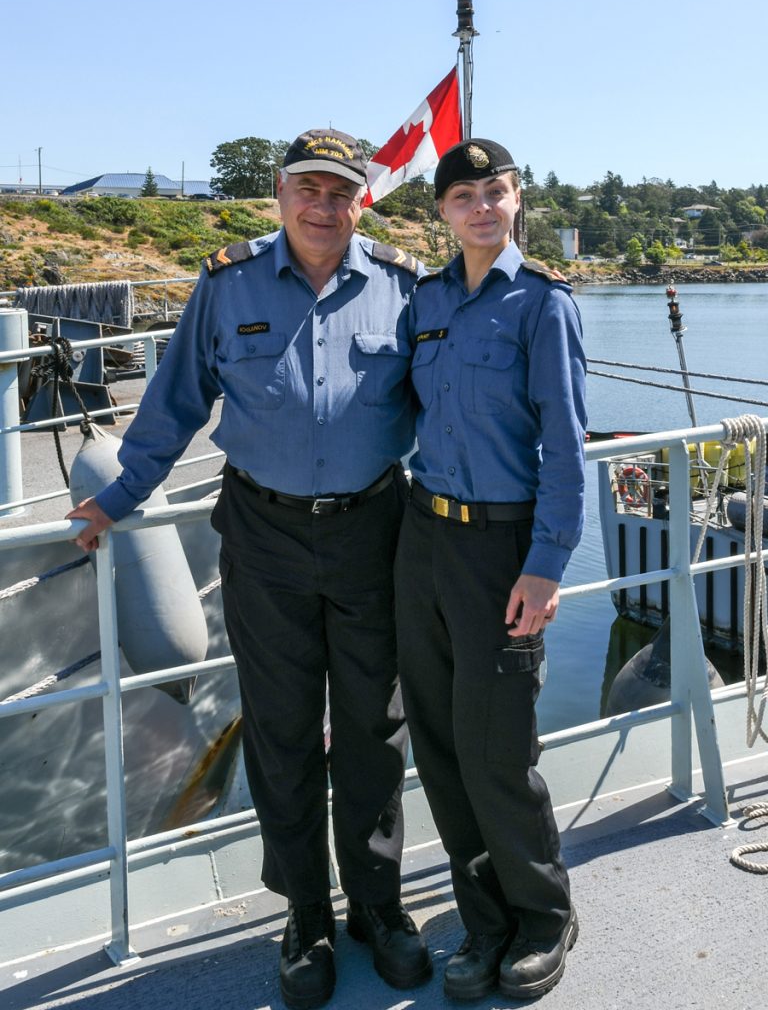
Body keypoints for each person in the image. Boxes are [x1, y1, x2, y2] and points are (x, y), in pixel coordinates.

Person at [67, 129, 431, 1010]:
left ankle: (377, 907)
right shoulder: (227, 285)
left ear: (360, 202)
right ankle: (305, 913)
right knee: (281, 731)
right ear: (279, 195)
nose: (323, 206)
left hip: (373, 531)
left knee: (376, 727)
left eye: (340, 192)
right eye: (307, 188)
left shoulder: (403, 288)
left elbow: (449, 403)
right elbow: (174, 403)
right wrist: (114, 500)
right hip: (263, 536)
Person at [394, 138, 586, 1001]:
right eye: (462, 194)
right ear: (441, 210)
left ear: (517, 202)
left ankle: (544, 917)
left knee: (498, 747)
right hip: (423, 539)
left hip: (502, 550)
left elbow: (566, 446)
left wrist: (544, 567)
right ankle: (483, 924)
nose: (480, 206)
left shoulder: (544, 305)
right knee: (437, 743)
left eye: (495, 192)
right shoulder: (426, 302)